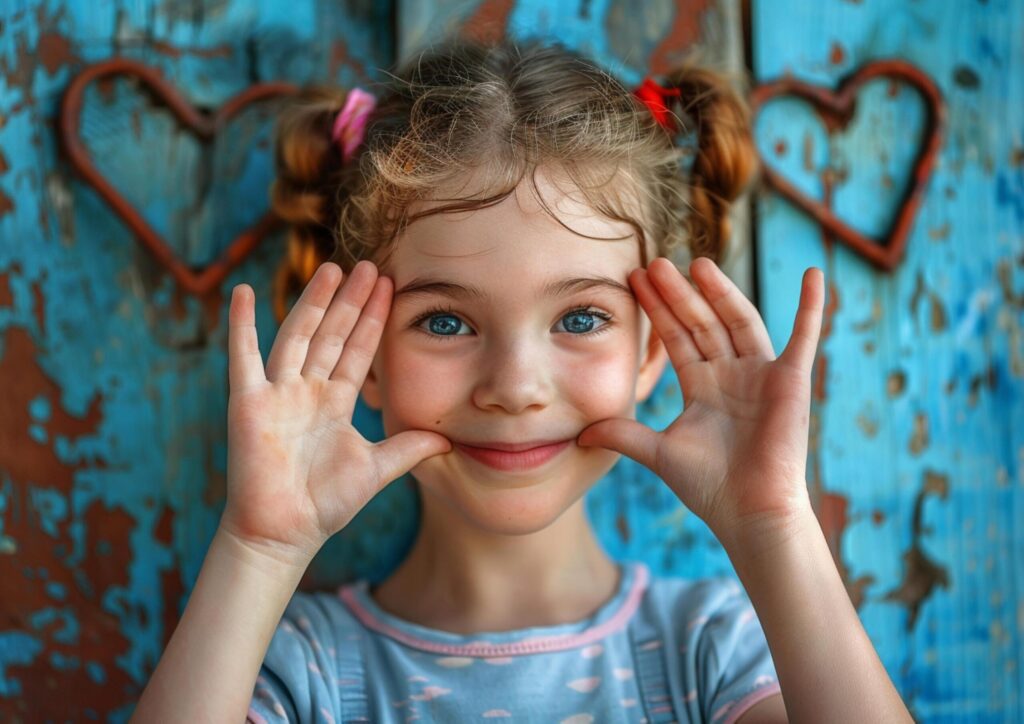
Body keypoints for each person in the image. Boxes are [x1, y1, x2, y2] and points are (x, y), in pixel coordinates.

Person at [130, 36, 912, 723]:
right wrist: (259, 549)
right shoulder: (299, 671)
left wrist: (776, 527)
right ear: (364, 356)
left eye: (579, 319)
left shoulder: (714, 654)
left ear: (651, 352)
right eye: (444, 322)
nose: (515, 385)